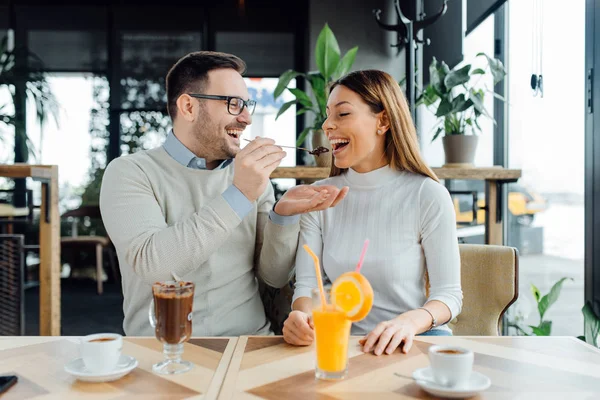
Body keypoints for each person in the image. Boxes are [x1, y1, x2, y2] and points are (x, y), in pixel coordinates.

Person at [99, 51, 348, 337]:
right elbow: (155, 267)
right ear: (189, 107)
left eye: (247, 105)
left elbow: (274, 276)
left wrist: (282, 216)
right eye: (233, 104)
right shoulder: (130, 172)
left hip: (251, 343)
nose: (246, 119)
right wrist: (240, 194)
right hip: (163, 350)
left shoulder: (249, 176)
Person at [282, 69, 463, 355]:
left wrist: (409, 322)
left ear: (384, 121)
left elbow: (449, 296)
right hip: (340, 346)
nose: (327, 125)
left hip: (410, 345)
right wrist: (301, 316)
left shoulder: (427, 195)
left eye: (342, 114)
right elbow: (306, 286)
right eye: (328, 115)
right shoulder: (319, 197)